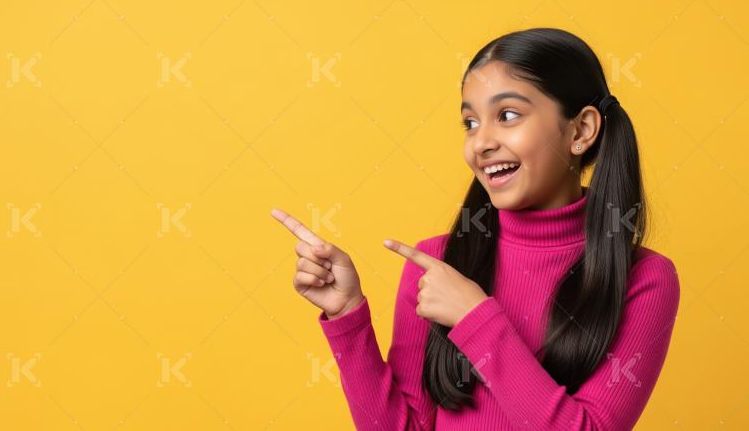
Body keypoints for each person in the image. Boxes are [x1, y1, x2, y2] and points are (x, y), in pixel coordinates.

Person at [271, 27, 680, 430]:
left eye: (507, 115)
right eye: (470, 122)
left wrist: (475, 317)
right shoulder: (435, 265)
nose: (480, 143)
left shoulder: (644, 279)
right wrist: (346, 314)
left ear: (581, 130)